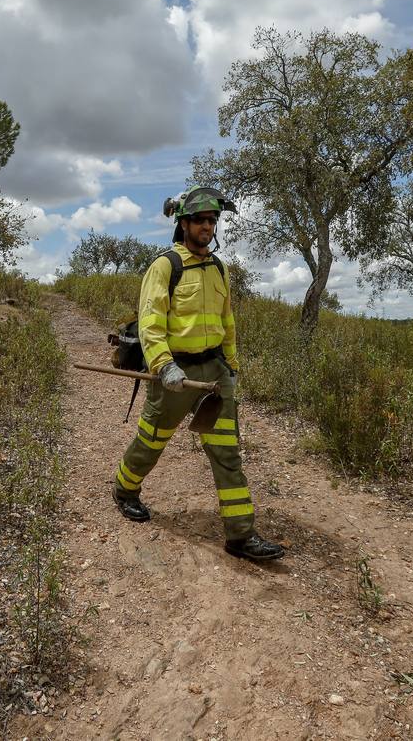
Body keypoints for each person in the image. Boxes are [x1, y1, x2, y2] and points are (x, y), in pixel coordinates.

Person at [111, 186, 286, 561]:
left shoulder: (218, 267)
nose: (208, 226)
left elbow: (227, 321)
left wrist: (232, 367)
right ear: (183, 223)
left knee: (227, 453)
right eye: (200, 220)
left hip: (215, 374)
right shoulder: (165, 267)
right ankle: (125, 490)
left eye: (212, 220)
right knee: (151, 442)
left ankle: (241, 536)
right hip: (174, 373)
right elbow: (150, 325)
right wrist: (163, 365)